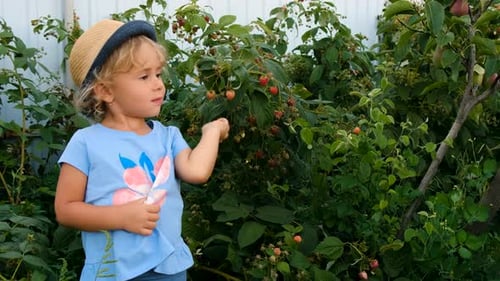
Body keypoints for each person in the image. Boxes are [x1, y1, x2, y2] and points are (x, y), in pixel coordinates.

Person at [54, 19, 230, 281]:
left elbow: (197, 171)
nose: (158, 84)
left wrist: (211, 132)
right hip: (112, 271)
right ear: (105, 90)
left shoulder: (168, 137)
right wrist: (120, 217)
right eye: (144, 76)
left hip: (169, 268)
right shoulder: (85, 143)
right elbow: (65, 209)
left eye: (158, 74)